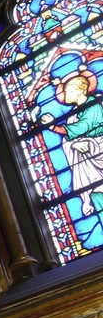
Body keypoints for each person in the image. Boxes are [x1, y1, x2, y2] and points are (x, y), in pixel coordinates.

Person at [51, 61, 103, 216]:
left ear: (81, 90)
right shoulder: (73, 114)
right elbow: (70, 140)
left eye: (69, 90)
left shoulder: (94, 104)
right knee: (97, 195)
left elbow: (83, 127)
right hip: (89, 167)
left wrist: (54, 127)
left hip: (98, 151)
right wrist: (73, 144)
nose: (65, 94)